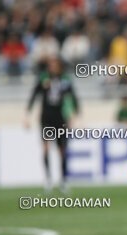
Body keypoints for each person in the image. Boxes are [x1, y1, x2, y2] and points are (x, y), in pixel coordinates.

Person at [25, 57, 79, 193]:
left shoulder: (65, 80)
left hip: (60, 118)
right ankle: (48, 180)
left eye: (55, 64)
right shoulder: (43, 78)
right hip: (46, 118)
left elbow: (73, 97)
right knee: (46, 148)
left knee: (62, 151)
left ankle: (63, 181)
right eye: (50, 65)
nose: (52, 67)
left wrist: (75, 115)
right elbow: (34, 95)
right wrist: (27, 115)